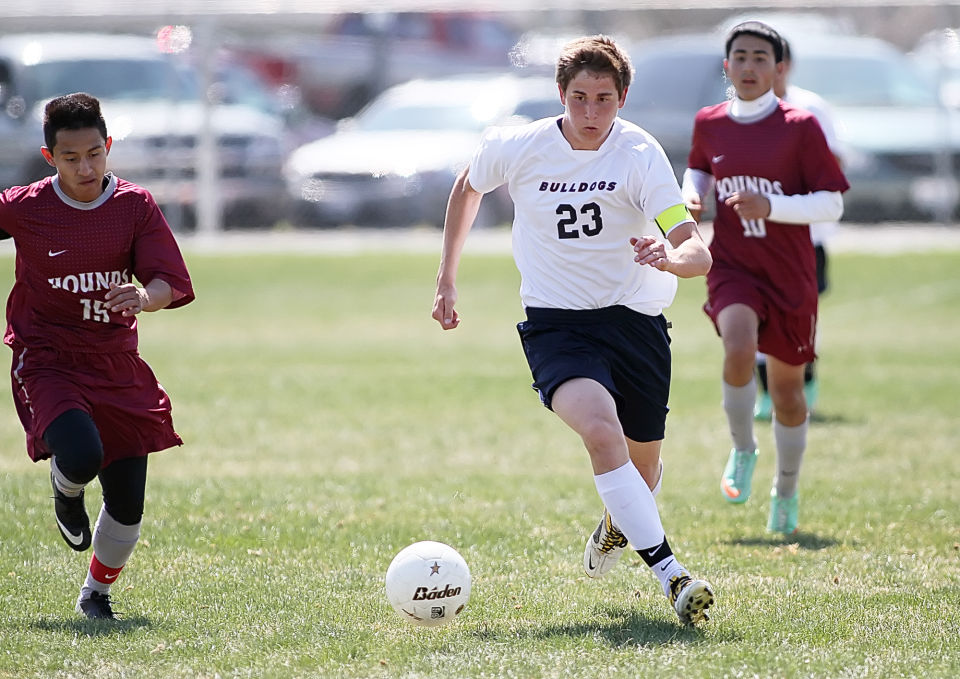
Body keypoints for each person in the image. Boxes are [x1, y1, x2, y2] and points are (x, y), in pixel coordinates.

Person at [432, 35, 715, 625]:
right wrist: (447, 281)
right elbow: (468, 185)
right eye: (579, 98)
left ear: (623, 98)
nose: (590, 114)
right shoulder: (522, 144)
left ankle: (618, 525)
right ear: (560, 94)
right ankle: (672, 574)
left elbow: (697, 251)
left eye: (604, 99)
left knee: (643, 469)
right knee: (599, 430)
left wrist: (667, 255)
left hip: (635, 323)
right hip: (557, 324)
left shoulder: (639, 154)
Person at [0, 92, 195, 619]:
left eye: (94, 153)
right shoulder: (27, 207)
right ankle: (66, 489)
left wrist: (144, 297)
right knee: (81, 453)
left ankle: (97, 594)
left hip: (115, 361)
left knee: (129, 502)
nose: (85, 167)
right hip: (48, 357)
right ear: (50, 159)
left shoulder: (134, 206)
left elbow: (169, 281)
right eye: (70, 158)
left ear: (108, 147)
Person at [681, 22, 849, 533]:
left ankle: (786, 490)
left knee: (788, 392)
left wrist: (770, 205)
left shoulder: (800, 125)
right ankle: (742, 449)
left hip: (790, 273)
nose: (749, 67)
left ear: (778, 69)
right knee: (736, 345)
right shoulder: (709, 121)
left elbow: (832, 203)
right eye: (740, 57)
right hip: (734, 264)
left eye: (760, 58)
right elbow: (698, 171)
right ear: (726, 66)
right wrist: (691, 195)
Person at [754, 35, 844, 421]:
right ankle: (764, 395)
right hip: (757, 238)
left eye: (764, 61)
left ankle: (805, 386)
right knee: (755, 315)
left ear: (783, 67)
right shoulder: (733, 114)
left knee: (799, 317)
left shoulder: (810, 109)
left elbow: (833, 165)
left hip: (806, 236)